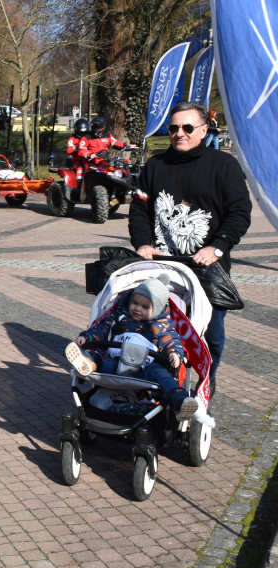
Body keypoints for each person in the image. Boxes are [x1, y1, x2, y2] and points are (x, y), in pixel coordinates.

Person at [128, 101, 252, 392]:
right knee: (154, 325)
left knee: (212, 335)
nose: (179, 133)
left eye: (187, 127)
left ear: (204, 130)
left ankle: (207, 376)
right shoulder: (155, 165)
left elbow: (239, 213)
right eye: (173, 128)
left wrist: (217, 248)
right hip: (162, 266)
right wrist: (143, 243)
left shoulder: (224, 165)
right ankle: (161, 382)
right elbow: (139, 210)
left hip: (207, 268)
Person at [65, 273, 198, 421]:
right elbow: (102, 328)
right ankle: (89, 362)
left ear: (157, 309)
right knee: (103, 362)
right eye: (135, 303)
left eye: (145, 307)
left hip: (146, 367)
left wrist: (174, 353)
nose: (137, 308)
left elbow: (172, 341)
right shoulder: (120, 317)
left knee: (163, 376)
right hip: (119, 362)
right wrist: (86, 337)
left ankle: (180, 401)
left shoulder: (161, 325)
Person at [66, 118, 91, 185]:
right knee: (80, 167)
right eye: (81, 133)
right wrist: (78, 148)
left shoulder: (89, 138)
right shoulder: (72, 139)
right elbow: (69, 150)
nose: (83, 135)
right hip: (77, 160)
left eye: (84, 133)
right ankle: (79, 184)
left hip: (89, 160)